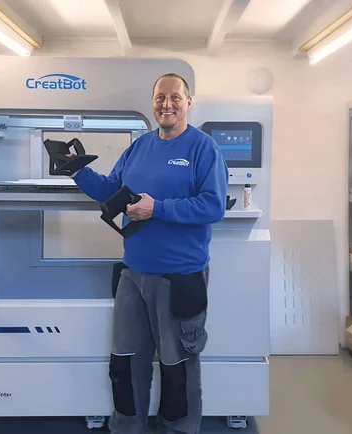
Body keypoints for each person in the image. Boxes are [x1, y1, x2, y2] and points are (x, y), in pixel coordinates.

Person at [71, 73, 228, 434]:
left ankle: (179, 428)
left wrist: (157, 208)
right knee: (125, 360)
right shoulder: (139, 147)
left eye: (175, 97)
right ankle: (127, 426)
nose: (167, 104)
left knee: (177, 364)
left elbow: (213, 205)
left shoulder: (203, 148)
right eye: (160, 97)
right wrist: (77, 170)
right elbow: (111, 189)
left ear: (188, 103)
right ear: (153, 102)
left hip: (179, 276)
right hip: (133, 273)